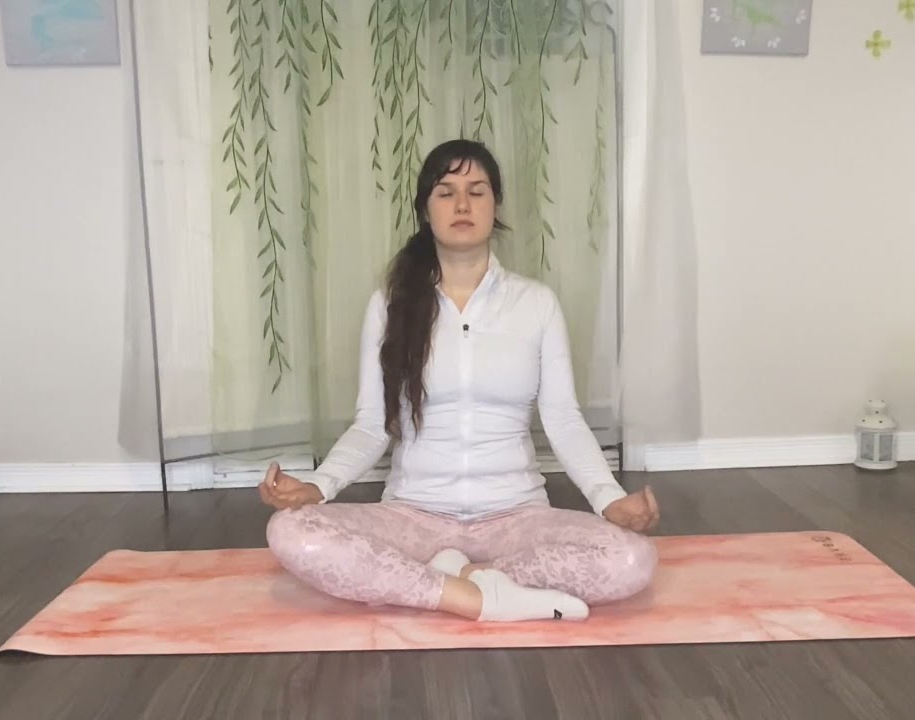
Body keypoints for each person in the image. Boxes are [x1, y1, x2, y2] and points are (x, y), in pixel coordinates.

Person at [260, 139, 659, 623]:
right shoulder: (390, 304)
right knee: (290, 531)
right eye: (446, 192)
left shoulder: (535, 304)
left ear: (496, 205)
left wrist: (609, 499)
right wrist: (318, 487)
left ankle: (448, 578)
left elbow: (564, 420)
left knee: (631, 559)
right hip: (413, 515)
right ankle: (478, 597)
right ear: (425, 210)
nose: (463, 204)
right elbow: (371, 425)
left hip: (516, 517)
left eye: (477, 191)